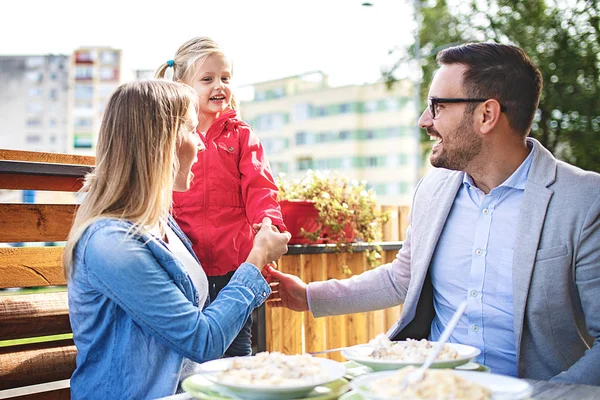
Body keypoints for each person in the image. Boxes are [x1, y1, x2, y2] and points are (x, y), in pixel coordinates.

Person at [266, 42, 600, 385]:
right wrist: (308, 296)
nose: (424, 120)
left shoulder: (584, 200)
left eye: (437, 106)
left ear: (487, 115)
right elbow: (403, 278)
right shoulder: (433, 189)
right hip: (433, 390)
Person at [63, 79, 291, 400]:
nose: (201, 144)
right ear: (160, 141)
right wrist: (256, 260)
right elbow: (202, 341)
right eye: (190, 129)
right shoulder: (112, 243)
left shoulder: (162, 223)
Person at [155, 37, 286, 357]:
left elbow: (260, 187)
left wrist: (267, 224)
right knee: (189, 347)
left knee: (237, 347)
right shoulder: (172, 136)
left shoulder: (241, 134)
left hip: (233, 263)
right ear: (182, 85)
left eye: (225, 78)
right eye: (208, 79)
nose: (219, 86)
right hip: (187, 265)